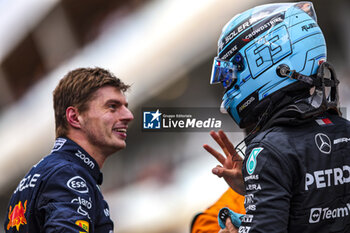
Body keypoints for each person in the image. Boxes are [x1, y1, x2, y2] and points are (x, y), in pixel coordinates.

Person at [208, 1, 350, 232]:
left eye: (230, 73)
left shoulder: (268, 150)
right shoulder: (344, 130)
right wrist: (262, 186)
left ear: (265, 61)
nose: (228, 84)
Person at [4, 67, 134, 232]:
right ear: (74, 117)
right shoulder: (67, 175)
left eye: (125, 106)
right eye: (113, 107)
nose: (128, 116)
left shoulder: (46, 173)